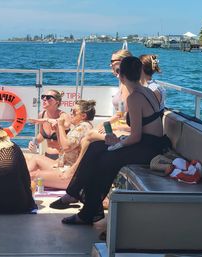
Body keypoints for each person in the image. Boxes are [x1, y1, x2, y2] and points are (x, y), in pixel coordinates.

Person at [52, 56, 170, 224]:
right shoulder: (147, 91)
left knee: (105, 158)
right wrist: (118, 141)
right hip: (149, 143)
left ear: (121, 76)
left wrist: (119, 143)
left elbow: (136, 136)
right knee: (95, 147)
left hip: (148, 148)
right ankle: (74, 194)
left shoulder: (135, 97)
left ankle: (87, 211)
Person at [28, 100, 95, 189]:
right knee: (35, 159)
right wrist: (57, 130)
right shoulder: (79, 126)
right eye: (71, 110)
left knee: (34, 175)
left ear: (83, 116)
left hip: (72, 173)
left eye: (74, 112)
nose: (71, 113)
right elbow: (62, 146)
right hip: (64, 166)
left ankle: (15, 184)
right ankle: (15, 180)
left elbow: (66, 147)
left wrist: (60, 126)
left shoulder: (83, 127)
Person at [27, 89, 70, 161]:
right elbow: (42, 134)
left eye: (48, 97)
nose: (44, 99)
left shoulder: (63, 116)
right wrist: (34, 142)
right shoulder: (42, 114)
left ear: (57, 102)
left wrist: (47, 120)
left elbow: (66, 126)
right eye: (43, 97)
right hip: (47, 155)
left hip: (62, 157)